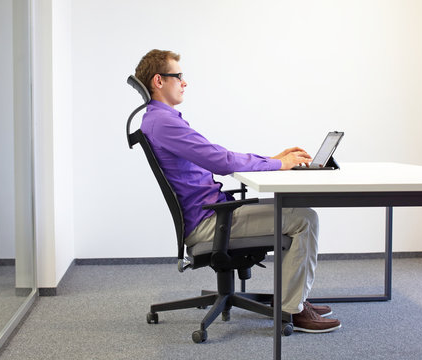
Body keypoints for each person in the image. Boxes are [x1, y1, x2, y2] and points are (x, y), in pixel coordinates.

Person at [135, 49, 341, 333]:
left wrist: (272, 160)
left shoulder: (160, 119)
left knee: (295, 212)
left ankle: (294, 300)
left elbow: (220, 155)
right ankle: (292, 310)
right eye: (179, 76)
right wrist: (278, 163)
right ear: (159, 80)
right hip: (210, 222)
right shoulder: (164, 122)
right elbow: (221, 161)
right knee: (304, 218)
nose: (184, 82)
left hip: (212, 212)